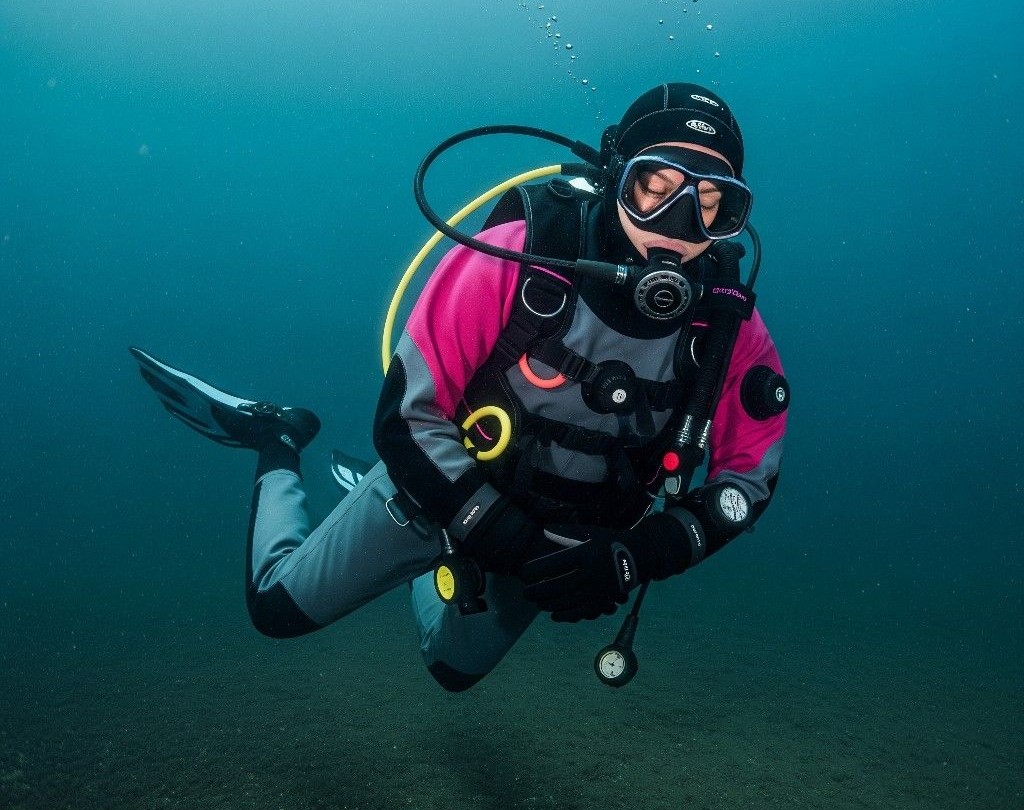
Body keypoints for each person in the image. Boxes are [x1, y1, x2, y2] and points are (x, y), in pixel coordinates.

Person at [132, 83, 788, 692]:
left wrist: (632, 557)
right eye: (656, 185)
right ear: (618, 177)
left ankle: (423, 563)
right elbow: (404, 417)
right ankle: (277, 437)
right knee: (276, 608)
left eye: (709, 203)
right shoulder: (517, 254)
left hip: (567, 547)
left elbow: (745, 485)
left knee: (450, 669)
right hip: (436, 489)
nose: (678, 224)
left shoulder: (730, 327)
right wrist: (503, 537)